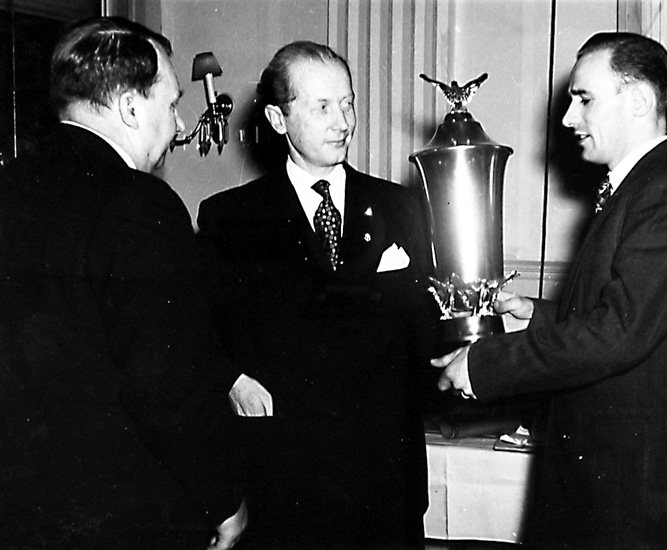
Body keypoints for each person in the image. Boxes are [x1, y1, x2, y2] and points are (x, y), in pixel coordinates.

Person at [432, 32, 667, 550]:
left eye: (584, 99)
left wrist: (484, 364)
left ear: (639, 100)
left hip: (629, 503)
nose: (567, 119)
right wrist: (534, 314)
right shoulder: (640, 190)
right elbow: (625, 316)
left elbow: (617, 334)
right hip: (606, 489)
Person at [0, 17, 247, 549]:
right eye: (172, 104)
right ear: (132, 108)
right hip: (126, 519)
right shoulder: (140, 206)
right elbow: (170, 384)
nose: (180, 125)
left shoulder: (9, 188)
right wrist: (224, 502)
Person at [197, 41, 438, 549]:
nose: (343, 122)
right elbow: (198, 330)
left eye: (348, 104)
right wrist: (232, 380)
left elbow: (425, 332)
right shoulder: (230, 218)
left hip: (384, 484)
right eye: (323, 107)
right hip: (285, 484)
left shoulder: (400, 207)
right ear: (278, 119)